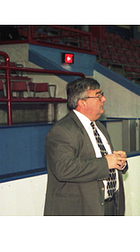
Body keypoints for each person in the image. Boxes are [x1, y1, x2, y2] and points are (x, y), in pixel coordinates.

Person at [44, 78, 128, 216]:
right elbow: (64, 169)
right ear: (82, 103)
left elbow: (104, 162)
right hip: (82, 210)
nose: (104, 99)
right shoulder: (61, 130)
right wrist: (106, 163)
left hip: (109, 206)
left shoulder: (99, 126)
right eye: (98, 95)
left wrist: (119, 162)